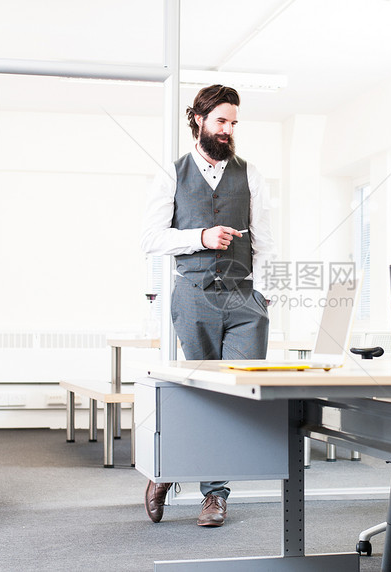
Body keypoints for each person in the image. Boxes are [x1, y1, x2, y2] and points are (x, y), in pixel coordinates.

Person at [139, 84, 275, 527]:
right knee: (200, 397)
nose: (228, 129)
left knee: (237, 397)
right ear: (198, 119)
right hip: (192, 294)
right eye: (221, 121)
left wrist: (264, 295)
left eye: (233, 122)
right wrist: (199, 237)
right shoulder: (170, 173)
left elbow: (266, 239)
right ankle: (180, 478)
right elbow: (151, 238)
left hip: (243, 299)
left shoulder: (250, 174)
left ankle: (209, 490)